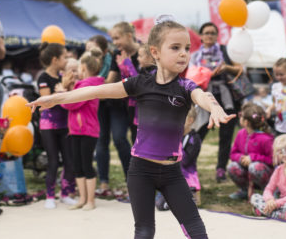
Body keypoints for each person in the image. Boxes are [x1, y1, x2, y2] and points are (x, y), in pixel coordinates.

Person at [27, 15, 234, 239]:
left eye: (186, 47)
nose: (183, 53)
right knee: (144, 231)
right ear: (155, 52)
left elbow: (203, 95)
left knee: (196, 229)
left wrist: (214, 107)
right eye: (175, 47)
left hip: (172, 173)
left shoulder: (185, 87)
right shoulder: (140, 83)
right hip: (140, 171)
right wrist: (57, 98)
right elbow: (96, 91)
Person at [190, 22, 244, 182]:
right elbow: (191, 76)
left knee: (226, 135)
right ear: (201, 36)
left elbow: (240, 69)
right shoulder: (195, 56)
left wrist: (226, 67)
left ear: (216, 35)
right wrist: (206, 75)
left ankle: (221, 168)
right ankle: (189, 165)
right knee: (199, 132)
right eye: (206, 33)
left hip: (225, 96)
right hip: (204, 96)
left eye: (213, 33)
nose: (209, 36)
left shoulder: (225, 51)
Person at [61, 49, 105, 211]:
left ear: (84, 69)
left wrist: (64, 90)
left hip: (87, 130)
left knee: (86, 165)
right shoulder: (81, 85)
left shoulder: (87, 85)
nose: (77, 71)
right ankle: (83, 198)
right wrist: (68, 90)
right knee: (77, 165)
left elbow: (70, 104)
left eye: (78, 68)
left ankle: (90, 201)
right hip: (76, 130)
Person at [95, 23, 137, 193]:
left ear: (128, 35)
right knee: (117, 138)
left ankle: (134, 180)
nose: (115, 42)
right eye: (113, 39)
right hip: (120, 104)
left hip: (139, 107)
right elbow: (110, 80)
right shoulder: (116, 54)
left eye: (117, 38)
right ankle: (115, 180)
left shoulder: (144, 52)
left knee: (131, 142)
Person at [36, 42, 77, 208]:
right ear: (55, 60)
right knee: (53, 160)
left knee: (69, 160)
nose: (67, 60)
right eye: (64, 57)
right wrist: (62, 88)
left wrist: (67, 85)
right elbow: (46, 103)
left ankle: (65, 193)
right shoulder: (43, 78)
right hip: (49, 125)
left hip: (65, 123)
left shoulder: (63, 76)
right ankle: (50, 196)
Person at [227, 103, 274, 200]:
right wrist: (241, 158)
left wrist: (253, 158)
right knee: (232, 167)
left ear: (246, 122)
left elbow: (273, 160)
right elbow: (232, 154)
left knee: (254, 167)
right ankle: (245, 190)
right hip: (246, 171)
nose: (239, 117)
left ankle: (268, 191)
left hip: (265, 174)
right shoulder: (240, 134)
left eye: (241, 115)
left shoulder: (266, 139)